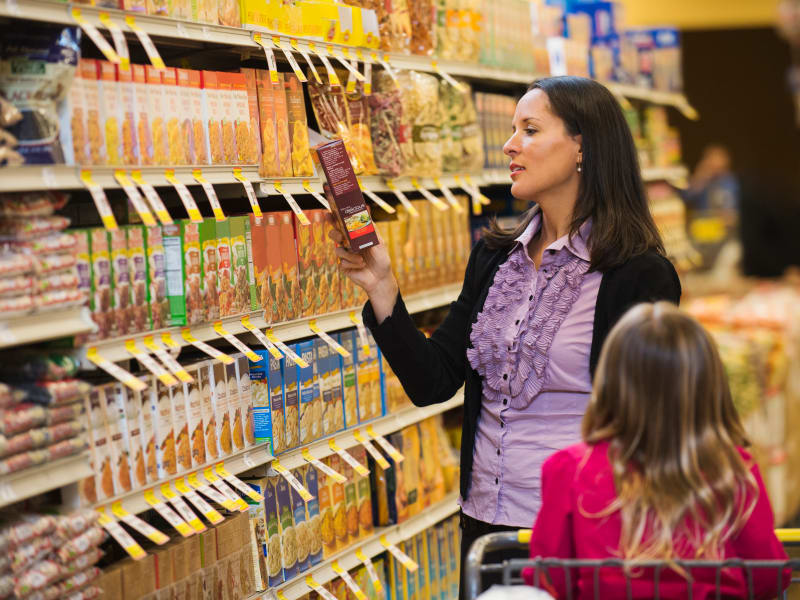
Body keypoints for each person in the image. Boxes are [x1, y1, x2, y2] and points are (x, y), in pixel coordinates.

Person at [329, 75, 681, 597]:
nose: (509, 144)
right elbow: (435, 380)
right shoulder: (496, 258)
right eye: (512, 128)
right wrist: (383, 288)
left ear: (583, 146)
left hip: (585, 532)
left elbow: (648, 428)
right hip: (488, 529)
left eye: (530, 129)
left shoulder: (637, 274)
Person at [526, 302, 789, 599]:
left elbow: (550, 579)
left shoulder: (568, 468)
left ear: (610, 382)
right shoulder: (732, 468)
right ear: (708, 385)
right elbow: (768, 575)